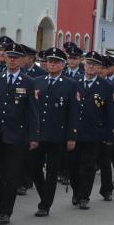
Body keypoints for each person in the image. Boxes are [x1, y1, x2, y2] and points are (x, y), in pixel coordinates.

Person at [0, 42, 39, 224]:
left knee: (11, 175)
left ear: (21, 60)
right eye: (9, 57)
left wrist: (33, 136)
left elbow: (32, 112)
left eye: (16, 57)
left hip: (16, 135)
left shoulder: (28, 82)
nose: (12, 60)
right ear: (5, 58)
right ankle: (2, 198)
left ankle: (5, 211)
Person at [29, 47, 77, 215]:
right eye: (50, 61)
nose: (52, 64)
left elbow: (74, 113)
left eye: (56, 62)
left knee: (51, 170)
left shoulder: (71, 84)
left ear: (63, 65)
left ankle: (45, 205)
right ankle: (45, 195)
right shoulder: (38, 81)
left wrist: (72, 136)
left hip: (58, 134)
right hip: (38, 133)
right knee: (34, 167)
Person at [71, 51, 114, 206]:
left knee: (88, 166)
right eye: (88, 63)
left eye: (94, 65)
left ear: (99, 68)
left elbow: (110, 113)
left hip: (94, 133)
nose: (90, 67)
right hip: (74, 132)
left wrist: (109, 135)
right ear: (83, 65)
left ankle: (84, 196)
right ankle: (76, 191)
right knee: (73, 166)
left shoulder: (106, 86)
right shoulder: (74, 82)